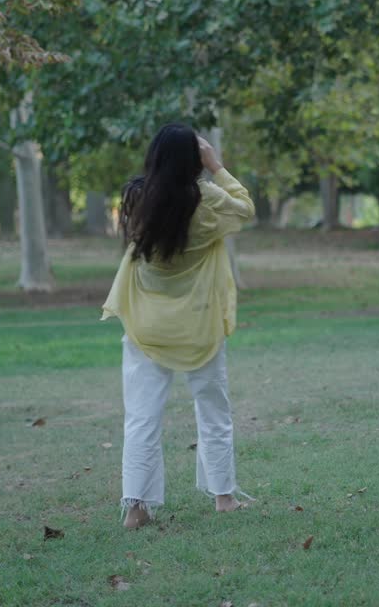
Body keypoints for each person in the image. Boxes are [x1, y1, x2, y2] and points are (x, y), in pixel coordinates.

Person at [101, 123, 255, 528]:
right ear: (194, 159)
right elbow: (245, 209)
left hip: (146, 326)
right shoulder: (206, 203)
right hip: (198, 327)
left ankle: (136, 508)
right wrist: (215, 165)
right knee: (213, 410)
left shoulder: (137, 199)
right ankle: (223, 498)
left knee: (141, 416)